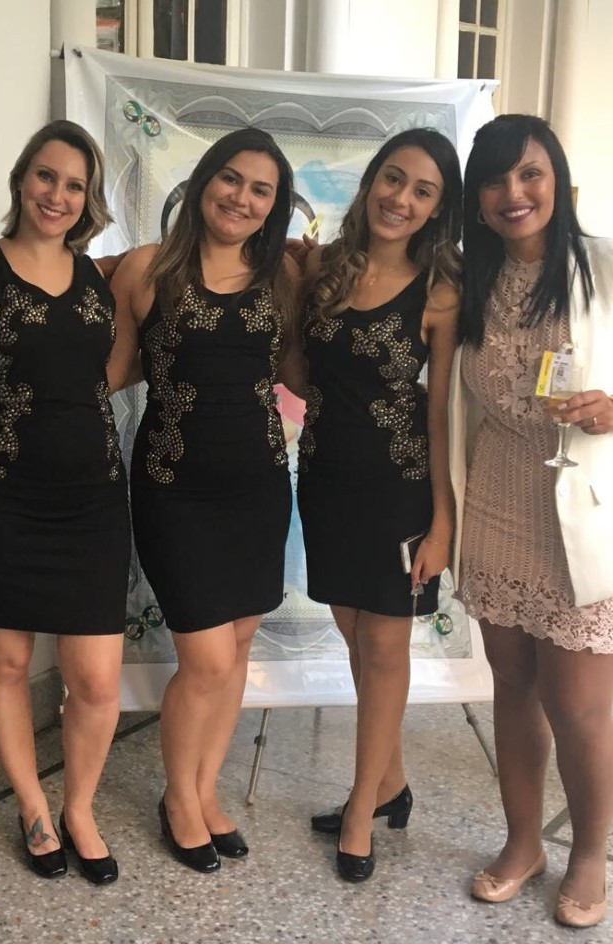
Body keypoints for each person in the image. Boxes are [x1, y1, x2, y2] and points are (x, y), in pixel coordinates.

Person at [109, 127, 300, 872]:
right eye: (231, 178)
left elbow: (301, 371)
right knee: (209, 660)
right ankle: (177, 800)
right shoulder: (146, 269)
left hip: (258, 485)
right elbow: (114, 370)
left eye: (260, 189)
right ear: (202, 181)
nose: (241, 198)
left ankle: (205, 787)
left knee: (239, 644)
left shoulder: (283, 275)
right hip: (174, 487)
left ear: (275, 205)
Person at [452, 114, 613, 929]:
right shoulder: (467, 280)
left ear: (558, 180)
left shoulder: (603, 266)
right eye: (494, 180)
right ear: (476, 198)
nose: (512, 193)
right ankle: (523, 842)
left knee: (578, 702)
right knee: (512, 683)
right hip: (495, 500)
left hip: (577, 509)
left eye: (529, 173)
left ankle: (588, 852)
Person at [0, 120, 129, 886]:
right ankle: (33, 808)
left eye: (74, 185)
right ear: (22, 178)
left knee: (94, 680)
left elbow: (109, 368)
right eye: (46, 176)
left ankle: (79, 809)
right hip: (8, 495)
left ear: (88, 199)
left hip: (93, 498)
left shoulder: (99, 275)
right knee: (6, 663)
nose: (57, 195)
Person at [299, 129, 462, 881]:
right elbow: (302, 370)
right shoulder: (324, 269)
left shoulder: (439, 292)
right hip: (326, 481)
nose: (401, 199)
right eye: (393, 179)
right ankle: (390, 782)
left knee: (386, 648)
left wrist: (442, 522)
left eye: (423, 191)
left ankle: (362, 808)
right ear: (371, 182)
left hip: (400, 490)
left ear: (437, 209)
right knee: (354, 637)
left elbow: (443, 414)